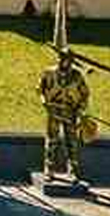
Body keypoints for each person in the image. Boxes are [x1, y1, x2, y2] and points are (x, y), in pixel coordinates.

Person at [38, 53, 90, 182]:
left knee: (71, 142)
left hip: (70, 113)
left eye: (66, 59)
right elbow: (40, 89)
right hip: (54, 110)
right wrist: (44, 101)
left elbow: (85, 94)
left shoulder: (77, 76)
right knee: (51, 140)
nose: (63, 61)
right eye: (61, 58)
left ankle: (72, 170)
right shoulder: (49, 73)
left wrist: (80, 110)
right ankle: (49, 169)